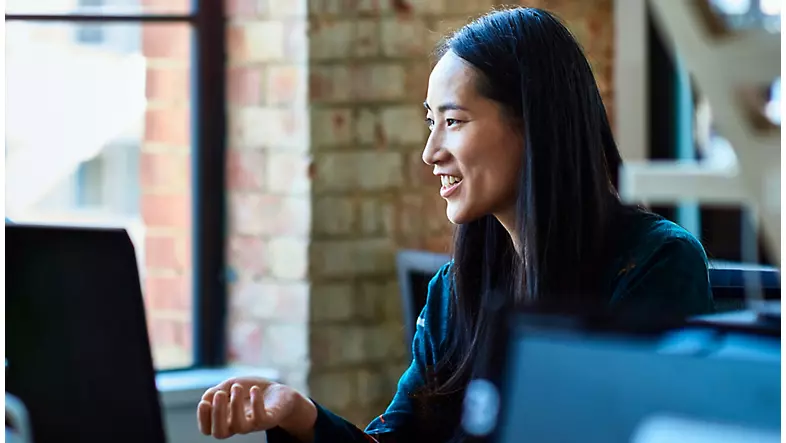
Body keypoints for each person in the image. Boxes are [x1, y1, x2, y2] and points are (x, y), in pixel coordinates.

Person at [197, 7, 715, 443]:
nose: (430, 152)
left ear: (533, 123)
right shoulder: (456, 289)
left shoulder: (656, 265)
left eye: (454, 121)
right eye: (431, 122)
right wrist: (298, 414)